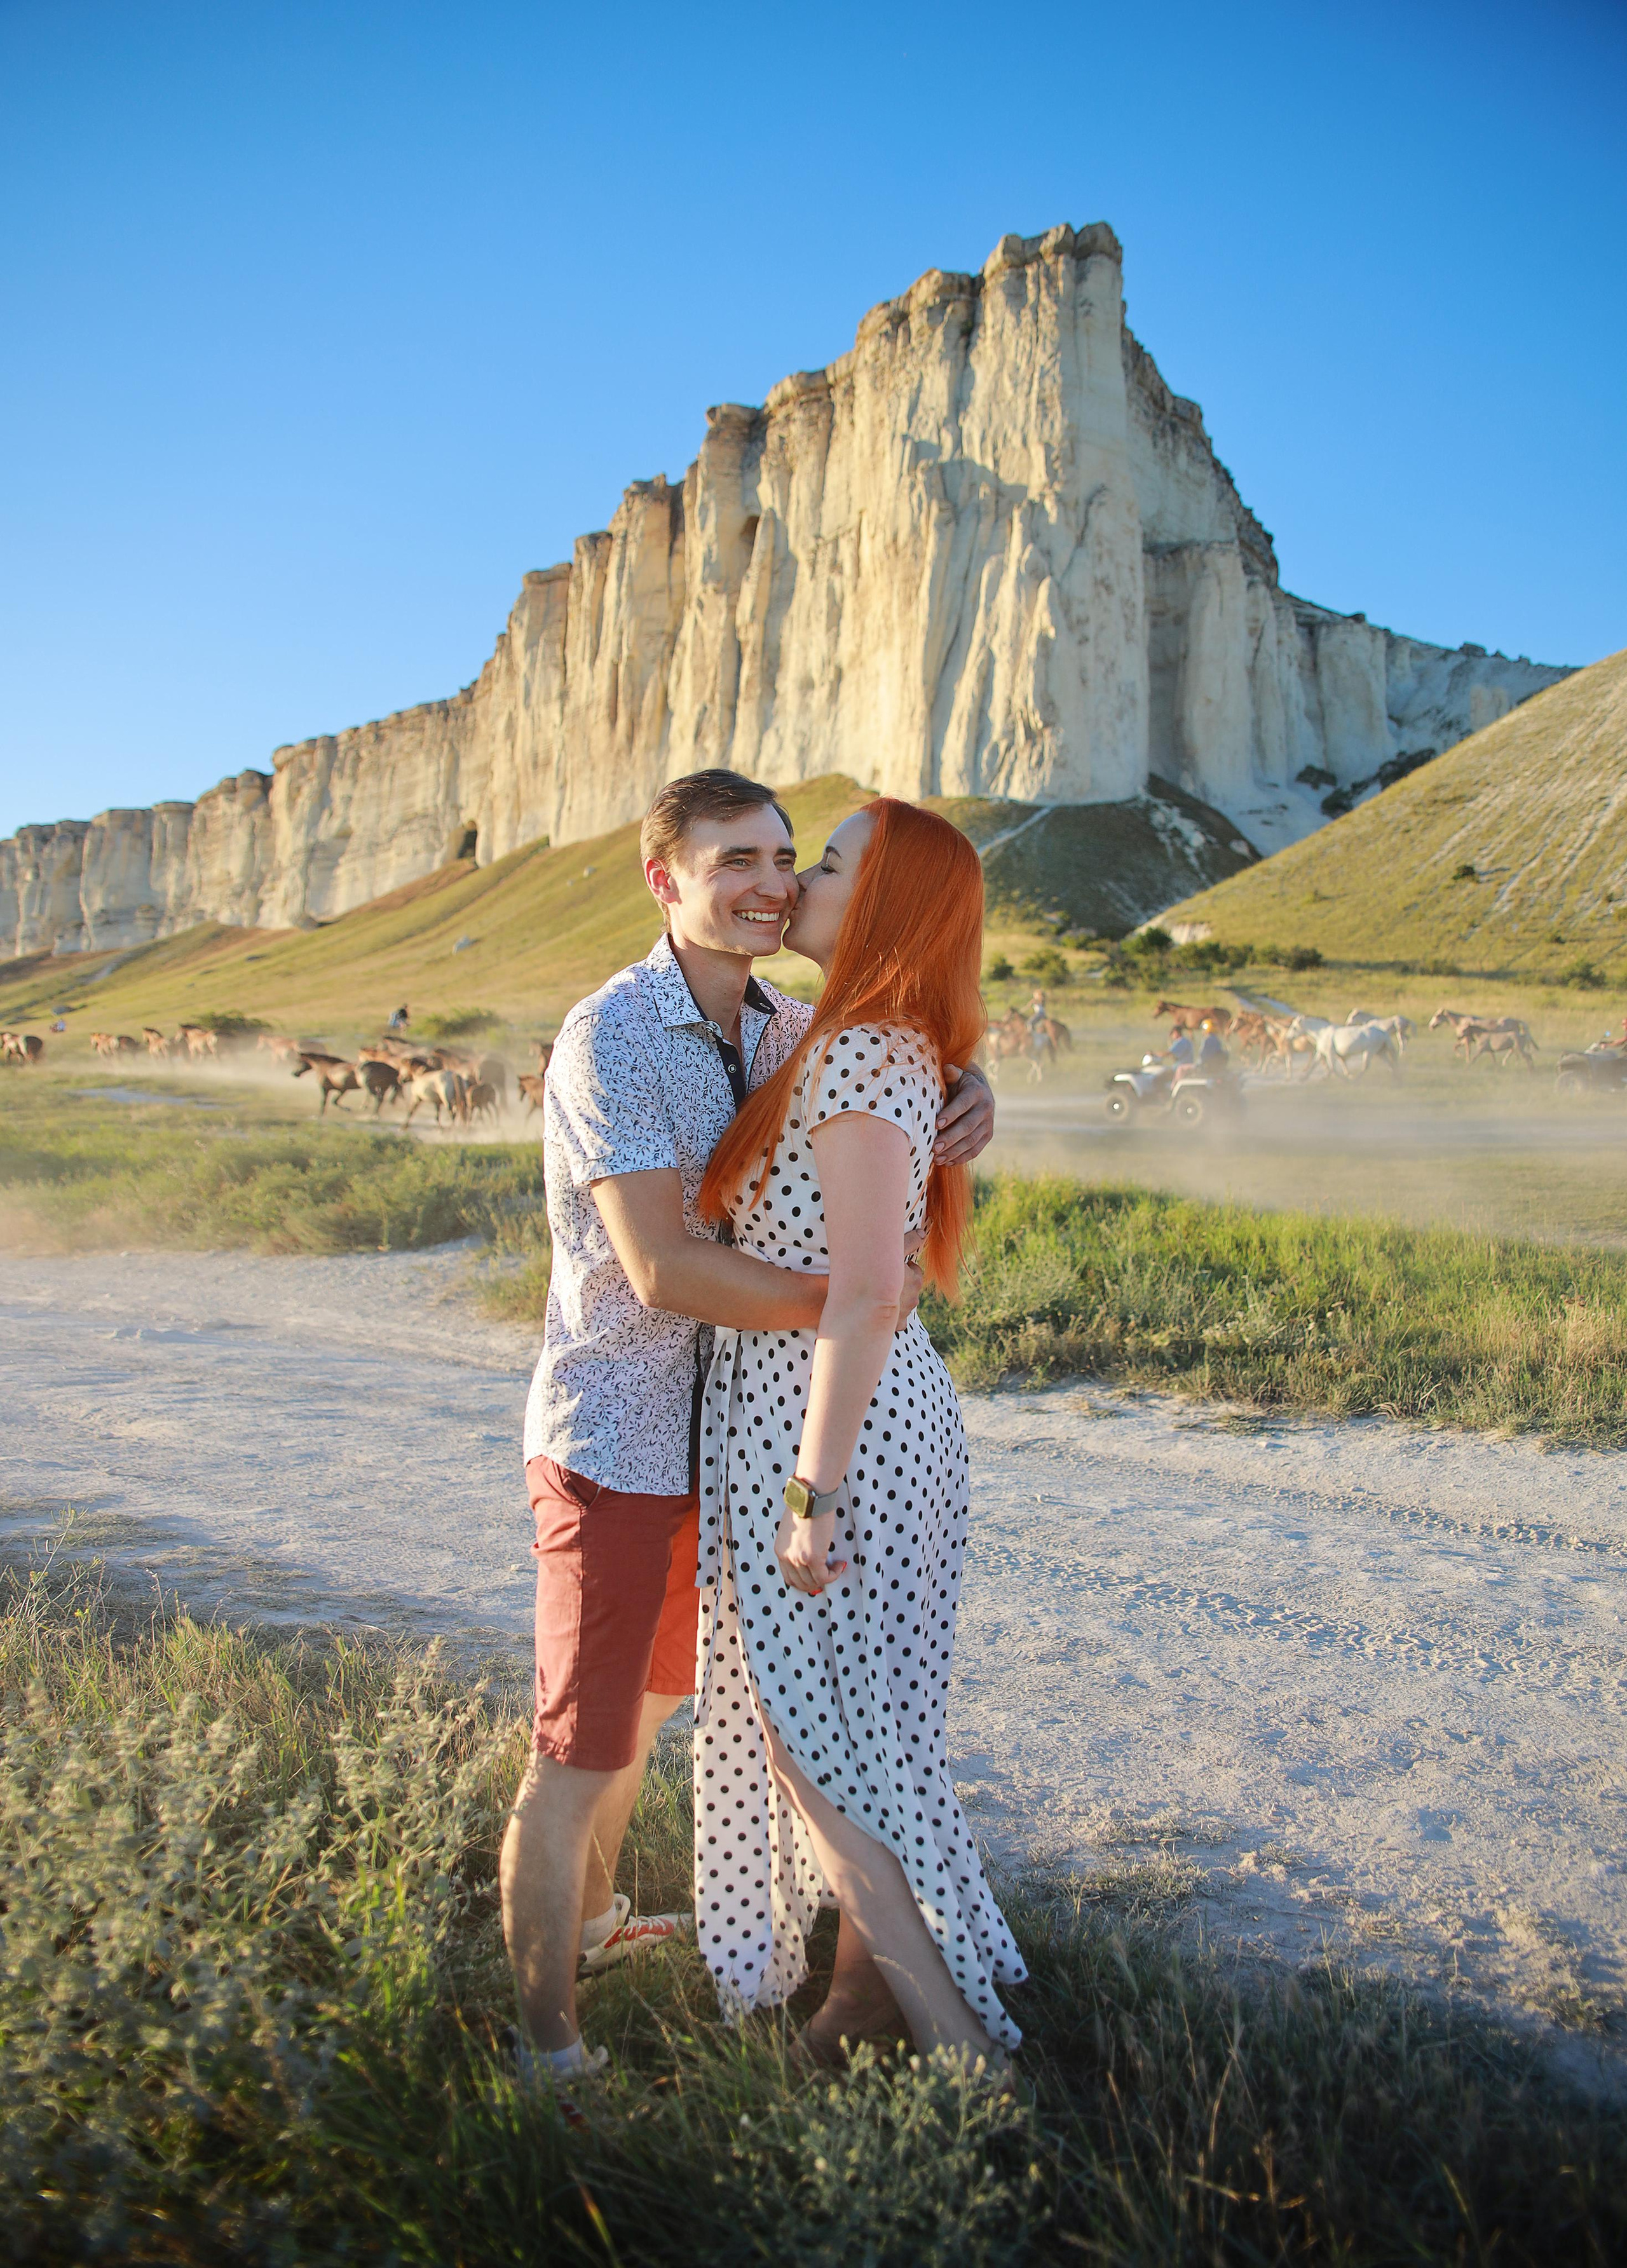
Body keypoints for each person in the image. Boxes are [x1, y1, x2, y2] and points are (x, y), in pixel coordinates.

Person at [500, 771, 995, 2084]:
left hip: (737, 1446)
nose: (771, 881)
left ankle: (613, 1928)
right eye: (736, 860)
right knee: (580, 1743)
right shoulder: (613, 1036)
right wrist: (859, 1309)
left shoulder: (783, 1024)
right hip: (619, 1442)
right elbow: (662, 1271)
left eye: (789, 855)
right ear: (664, 880)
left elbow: (886, 1065)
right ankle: (547, 2050)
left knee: (664, 1713)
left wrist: (970, 1091)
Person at [693, 798, 1024, 2068]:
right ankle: (862, 2013)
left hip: (841, 1430)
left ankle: (961, 2053)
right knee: (854, 1728)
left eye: (823, 866)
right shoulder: (859, 1042)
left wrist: (808, 1494)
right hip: (871, 1417)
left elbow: (872, 1284)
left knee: (815, 1740)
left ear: (878, 903)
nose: (797, 885)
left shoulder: (861, 1051)